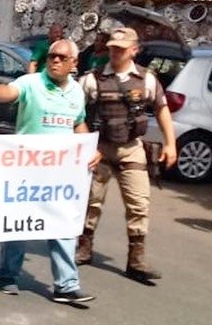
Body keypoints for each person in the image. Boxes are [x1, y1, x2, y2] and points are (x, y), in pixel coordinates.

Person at [0, 38, 98, 304]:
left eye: (61, 57)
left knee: (64, 225)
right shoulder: (31, 82)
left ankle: (66, 285)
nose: (54, 60)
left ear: (73, 63)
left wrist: (90, 148)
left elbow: (78, 124)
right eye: (52, 56)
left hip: (60, 177)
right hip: (26, 172)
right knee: (20, 225)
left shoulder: (76, 93)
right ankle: (8, 276)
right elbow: (9, 92)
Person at [76, 27, 177, 283]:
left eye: (121, 49)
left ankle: (136, 259)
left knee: (139, 203)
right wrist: (84, 143)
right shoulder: (92, 79)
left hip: (132, 148)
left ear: (134, 50)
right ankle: (84, 247)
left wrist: (170, 144)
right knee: (92, 201)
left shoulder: (147, 80)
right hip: (99, 148)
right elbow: (75, 112)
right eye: (112, 48)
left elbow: (162, 109)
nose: (115, 52)